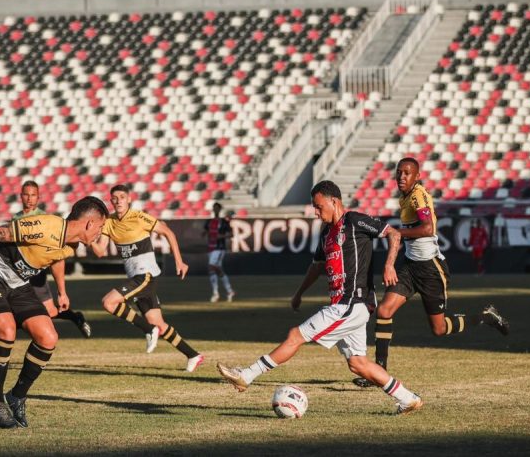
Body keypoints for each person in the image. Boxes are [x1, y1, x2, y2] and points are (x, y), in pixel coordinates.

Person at [217, 181, 424, 414]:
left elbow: (394, 234)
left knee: (296, 335)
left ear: (333, 201)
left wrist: (389, 266)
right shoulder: (326, 233)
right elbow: (316, 266)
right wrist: (299, 294)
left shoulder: (354, 221)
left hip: (351, 303)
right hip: (347, 305)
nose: (316, 212)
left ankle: (246, 375)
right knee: (358, 364)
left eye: (318, 206)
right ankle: (408, 399)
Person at [0, 196, 109, 429]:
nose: (100, 233)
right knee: (6, 329)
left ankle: (16, 396)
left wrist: (62, 291)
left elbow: (57, 258)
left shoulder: (72, 244)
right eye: (100, 227)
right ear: (89, 223)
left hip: (17, 283)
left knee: (48, 337)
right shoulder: (45, 226)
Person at [352, 158, 509, 388]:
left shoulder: (418, 194)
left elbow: (428, 228)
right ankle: (379, 373)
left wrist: (398, 233)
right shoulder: (404, 197)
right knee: (384, 311)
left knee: (439, 329)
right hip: (410, 265)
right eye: (399, 173)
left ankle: (485, 317)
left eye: (407, 173)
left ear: (417, 177)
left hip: (430, 270)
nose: (402, 177)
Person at [0, 180, 93, 367]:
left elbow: (58, 255)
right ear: (21, 196)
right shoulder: (16, 217)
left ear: (38, 197)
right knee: (1, 310)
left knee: (48, 311)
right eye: (26, 194)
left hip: (35, 274)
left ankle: (74, 317)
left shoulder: (45, 219)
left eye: (33, 195)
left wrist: (61, 290)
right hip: (13, 271)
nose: (29, 198)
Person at [89, 184, 204, 373]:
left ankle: (148, 330)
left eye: (122, 197)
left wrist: (179, 261)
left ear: (129, 199)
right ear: (110, 201)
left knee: (108, 303)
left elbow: (168, 232)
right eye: (114, 198)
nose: (118, 201)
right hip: (137, 277)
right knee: (158, 323)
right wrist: (88, 239)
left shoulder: (139, 217)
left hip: (145, 275)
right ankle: (193, 355)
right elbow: (100, 251)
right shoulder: (108, 222)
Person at [203, 203, 235, 303]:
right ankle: (225, 292)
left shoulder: (223, 222)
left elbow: (231, 234)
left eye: (217, 208)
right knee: (214, 271)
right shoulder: (209, 221)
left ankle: (218, 293)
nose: (215, 210)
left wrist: (222, 236)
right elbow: (205, 232)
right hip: (210, 248)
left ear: (220, 209)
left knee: (211, 266)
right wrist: (205, 233)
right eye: (214, 208)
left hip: (219, 248)